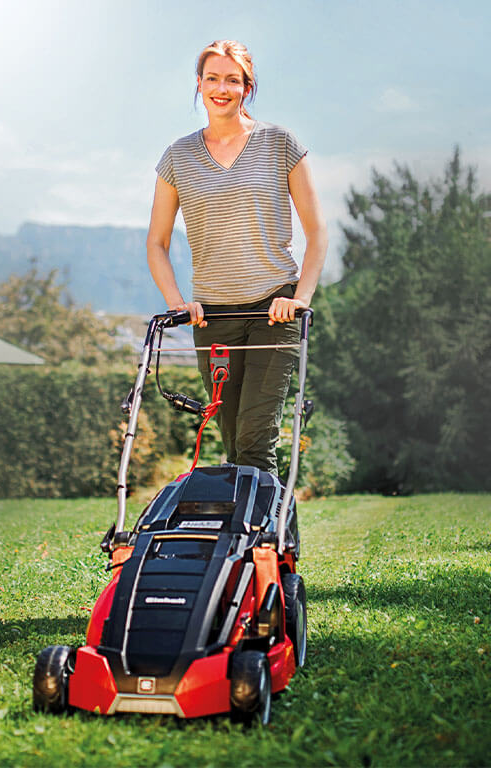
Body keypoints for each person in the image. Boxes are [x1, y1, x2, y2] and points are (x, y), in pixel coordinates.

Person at [146, 39, 327, 475]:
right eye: (212, 78)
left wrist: (299, 298)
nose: (221, 88)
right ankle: (250, 540)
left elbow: (317, 233)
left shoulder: (279, 144)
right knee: (232, 441)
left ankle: (271, 542)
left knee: (255, 438)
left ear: (248, 87)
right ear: (199, 84)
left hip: (274, 311)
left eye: (233, 79)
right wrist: (178, 304)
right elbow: (157, 243)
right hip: (213, 317)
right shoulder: (178, 156)